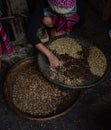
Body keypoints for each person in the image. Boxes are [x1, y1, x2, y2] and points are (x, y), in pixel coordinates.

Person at [27, 0, 83, 67]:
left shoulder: (78, 3)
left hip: (59, 16)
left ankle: (60, 24)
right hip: (48, 14)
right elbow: (31, 34)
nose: (63, 15)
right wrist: (50, 55)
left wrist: (63, 31)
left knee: (58, 32)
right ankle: (47, 23)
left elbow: (80, 22)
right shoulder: (41, 3)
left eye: (67, 13)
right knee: (46, 23)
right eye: (60, 13)